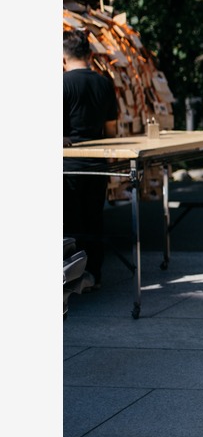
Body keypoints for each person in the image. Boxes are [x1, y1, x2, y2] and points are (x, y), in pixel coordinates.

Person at [63, 28, 119, 291]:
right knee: (94, 219)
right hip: (98, 163)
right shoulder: (105, 83)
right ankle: (93, 274)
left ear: (63, 58)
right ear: (89, 55)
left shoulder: (61, 84)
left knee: (70, 224)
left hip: (68, 166)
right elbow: (111, 131)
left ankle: (71, 278)